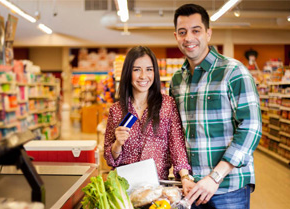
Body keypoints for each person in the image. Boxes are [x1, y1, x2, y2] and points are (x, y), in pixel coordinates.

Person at [170, 4, 262, 209]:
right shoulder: (177, 80)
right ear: (176, 36)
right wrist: (183, 176)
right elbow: (176, 132)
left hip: (229, 188)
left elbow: (251, 128)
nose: (189, 38)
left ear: (208, 33)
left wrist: (215, 177)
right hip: (191, 188)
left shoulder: (234, 72)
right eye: (182, 32)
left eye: (196, 30)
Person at [104, 46, 194, 191]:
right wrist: (117, 144)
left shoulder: (167, 105)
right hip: (126, 190)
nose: (143, 76)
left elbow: (177, 147)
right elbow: (110, 159)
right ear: (128, 72)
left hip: (157, 189)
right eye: (137, 69)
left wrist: (185, 177)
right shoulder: (116, 110)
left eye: (149, 69)